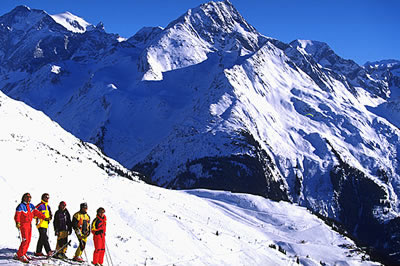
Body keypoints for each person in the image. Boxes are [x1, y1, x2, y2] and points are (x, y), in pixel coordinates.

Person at [14, 193, 47, 263]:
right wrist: (17, 222)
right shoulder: (21, 206)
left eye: (30, 197)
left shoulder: (31, 206)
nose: (29, 198)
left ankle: (22, 253)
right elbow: (17, 215)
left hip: (29, 224)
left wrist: (44, 217)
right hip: (23, 224)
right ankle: (20, 255)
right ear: (24, 198)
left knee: (28, 240)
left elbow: (36, 212)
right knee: (25, 240)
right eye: (27, 197)